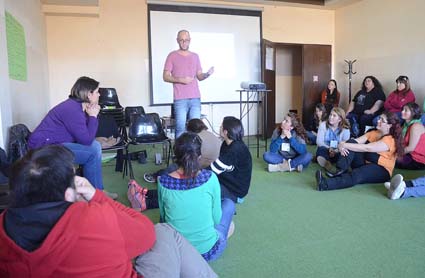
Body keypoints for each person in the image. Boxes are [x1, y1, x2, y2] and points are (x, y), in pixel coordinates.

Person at [0, 145, 217, 278]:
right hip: (140, 235)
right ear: (69, 193)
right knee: (164, 231)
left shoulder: (3, 227)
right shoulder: (92, 218)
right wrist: (96, 196)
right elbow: (145, 235)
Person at [28, 76, 117, 199]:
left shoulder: (78, 107)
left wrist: (91, 115)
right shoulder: (72, 109)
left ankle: (95, 191)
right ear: (88, 94)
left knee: (94, 146)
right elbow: (86, 140)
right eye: (97, 91)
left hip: (54, 144)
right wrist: (93, 116)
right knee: (93, 150)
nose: (99, 94)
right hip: (43, 148)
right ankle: (97, 193)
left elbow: (86, 135)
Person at [158, 132, 234, 262]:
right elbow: (216, 220)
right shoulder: (210, 178)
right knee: (229, 206)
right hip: (209, 251)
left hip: (177, 254)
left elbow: (164, 219)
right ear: (199, 155)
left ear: (176, 155)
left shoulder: (163, 182)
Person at [316, 112, 403, 191]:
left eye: (382, 120)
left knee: (357, 174)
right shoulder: (374, 133)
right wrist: (341, 145)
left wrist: (344, 145)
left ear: (389, 125)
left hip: (381, 170)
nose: (378, 120)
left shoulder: (390, 140)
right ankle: (340, 170)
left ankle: (325, 184)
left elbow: (367, 148)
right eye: (379, 118)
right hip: (366, 162)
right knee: (351, 142)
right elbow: (354, 141)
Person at [163, 30, 214, 138]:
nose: (184, 42)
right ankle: (180, 154)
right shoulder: (172, 56)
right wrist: (181, 80)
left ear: (190, 41)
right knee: (180, 128)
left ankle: (195, 154)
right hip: (180, 99)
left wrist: (207, 74)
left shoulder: (195, 56)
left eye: (186, 40)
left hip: (195, 98)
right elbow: (165, 76)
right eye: (181, 40)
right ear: (177, 41)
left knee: (196, 129)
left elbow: (199, 76)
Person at [143, 118, 221, 183]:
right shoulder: (211, 134)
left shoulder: (195, 138)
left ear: (190, 129)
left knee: (178, 165)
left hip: (202, 166)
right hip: (215, 167)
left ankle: (157, 176)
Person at [209, 116, 252, 204]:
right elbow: (219, 165)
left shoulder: (235, 149)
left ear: (225, 132)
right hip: (228, 182)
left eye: (221, 126)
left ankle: (228, 202)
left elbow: (213, 169)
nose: (219, 128)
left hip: (235, 191)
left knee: (202, 186)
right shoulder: (226, 143)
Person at [396, 102, 425, 169]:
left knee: (391, 159)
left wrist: (395, 154)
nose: (402, 112)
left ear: (413, 113)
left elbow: (411, 148)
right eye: (403, 109)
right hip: (408, 154)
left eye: (406, 110)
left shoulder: (416, 126)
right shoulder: (405, 125)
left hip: (418, 158)